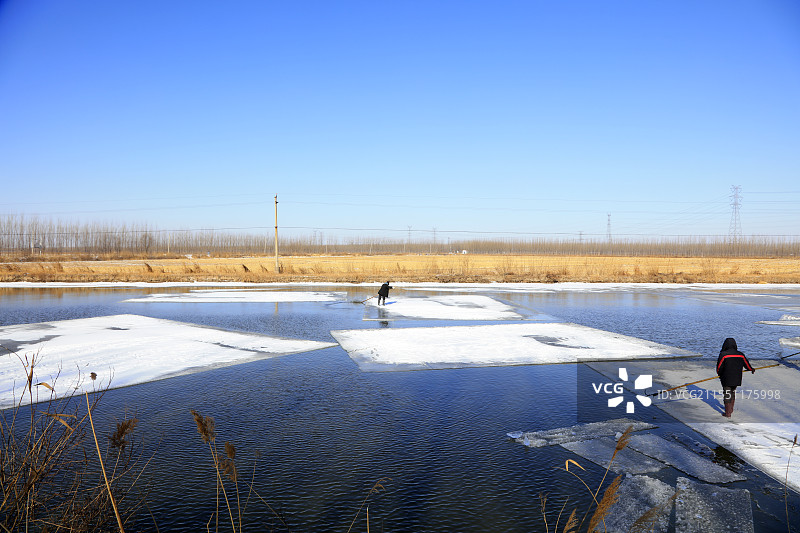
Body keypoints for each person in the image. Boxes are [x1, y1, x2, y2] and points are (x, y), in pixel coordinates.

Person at [716, 337, 755, 418]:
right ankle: (730, 409)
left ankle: (728, 413)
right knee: (732, 392)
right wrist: (751, 369)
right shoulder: (740, 354)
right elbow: (746, 365)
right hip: (737, 377)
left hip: (726, 378)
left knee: (727, 393)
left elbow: (719, 367)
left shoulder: (723, 354)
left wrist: (720, 375)